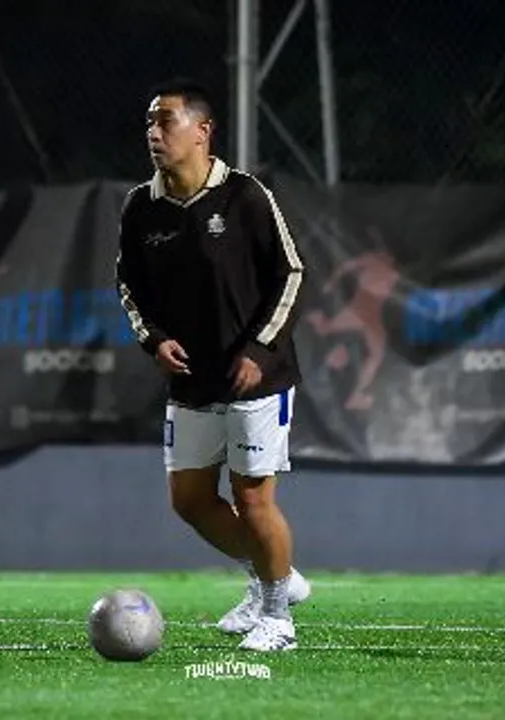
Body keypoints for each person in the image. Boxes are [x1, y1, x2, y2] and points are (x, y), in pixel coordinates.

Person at [115, 78, 310, 651]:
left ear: (202, 131)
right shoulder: (140, 206)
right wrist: (154, 340)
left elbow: (292, 274)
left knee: (253, 500)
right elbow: (129, 285)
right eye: (149, 122)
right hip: (192, 380)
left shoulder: (245, 196)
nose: (153, 133)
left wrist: (259, 350)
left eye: (165, 121)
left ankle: (277, 617)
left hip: (256, 377)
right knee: (190, 501)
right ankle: (276, 574)